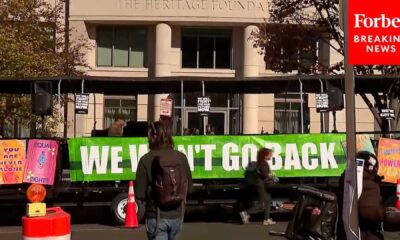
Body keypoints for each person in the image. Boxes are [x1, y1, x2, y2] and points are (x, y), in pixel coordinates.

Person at [135, 120, 193, 240]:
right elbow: (189, 188)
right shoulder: (181, 157)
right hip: (177, 215)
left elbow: (139, 194)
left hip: (156, 215)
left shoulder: (145, 159)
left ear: (152, 137)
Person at [240, 148, 277, 226]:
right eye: (270, 154)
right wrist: (272, 175)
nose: (271, 156)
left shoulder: (262, 162)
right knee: (262, 203)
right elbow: (264, 175)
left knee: (268, 201)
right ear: (265, 155)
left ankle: (266, 219)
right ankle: (246, 213)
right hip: (261, 185)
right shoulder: (262, 163)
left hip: (263, 184)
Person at [357, 151, 385, 240]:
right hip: (366, 234)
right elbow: (371, 214)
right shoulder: (371, 186)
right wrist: (384, 213)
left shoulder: (346, 179)